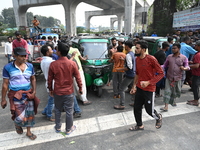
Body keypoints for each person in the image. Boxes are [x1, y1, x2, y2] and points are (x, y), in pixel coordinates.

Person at [1, 47, 39, 140]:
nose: (24, 58)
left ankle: (28, 132)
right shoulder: (8, 67)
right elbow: (5, 84)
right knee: (20, 117)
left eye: (25, 56)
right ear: (14, 56)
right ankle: (17, 124)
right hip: (16, 95)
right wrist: (3, 99)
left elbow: (33, 78)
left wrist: (34, 91)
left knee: (30, 114)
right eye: (21, 56)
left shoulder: (30, 66)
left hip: (28, 94)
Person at [48, 42, 82, 135]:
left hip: (57, 91)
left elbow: (50, 79)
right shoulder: (72, 63)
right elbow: (78, 77)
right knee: (69, 111)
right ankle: (68, 129)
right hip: (68, 91)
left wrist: (50, 89)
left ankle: (58, 127)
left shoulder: (53, 64)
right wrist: (80, 88)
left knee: (58, 109)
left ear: (58, 52)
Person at [129, 40, 163, 131]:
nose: (135, 50)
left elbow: (161, 73)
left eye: (137, 48)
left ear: (143, 49)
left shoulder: (151, 59)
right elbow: (137, 74)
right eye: (135, 48)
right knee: (136, 108)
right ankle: (139, 125)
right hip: (140, 88)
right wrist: (134, 86)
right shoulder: (137, 59)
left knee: (150, 111)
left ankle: (158, 117)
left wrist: (148, 82)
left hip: (149, 89)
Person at [160, 43, 190, 111]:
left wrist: (184, 68)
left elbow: (187, 67)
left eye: (174, 48)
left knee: (176, 91)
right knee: (167, 91)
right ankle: (166, 106)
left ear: (179, 49)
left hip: (178, 78)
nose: (173, 50)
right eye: (172, 48)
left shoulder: (184, 58)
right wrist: (160, 68)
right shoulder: (169, 57)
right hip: (169, 77)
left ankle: (173, 101)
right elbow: (165, 65)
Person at [114, 40, 136, 110]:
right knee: (134, 88)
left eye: (124, 46)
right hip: (134, 74)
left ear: (126, 46)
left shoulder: (128, 55)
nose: (124, 47)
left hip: (129, 75)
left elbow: (129, 67)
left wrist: (119, 69)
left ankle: (122, 104)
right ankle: (135, 102)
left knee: (121, 88)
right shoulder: (132, 53)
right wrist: (124, 59)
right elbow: (131, 63)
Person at [40, 45, 55, 121]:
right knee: (51, 101)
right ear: (47, 52)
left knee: (51, 99)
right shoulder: (51, 62)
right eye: (51, 50)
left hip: (48, 83)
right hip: (53, 83)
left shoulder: (43, 60)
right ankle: (49, 115)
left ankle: (45, 111)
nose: (52, 51)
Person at [187, 40, 200, 106]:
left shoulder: (198, 55)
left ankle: (196, 100)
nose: (195, 46)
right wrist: (191, 62)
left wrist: (187, 66)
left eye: (196, 45)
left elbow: (197, 65)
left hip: (197, 73)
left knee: (195, 86)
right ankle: (196, 99)